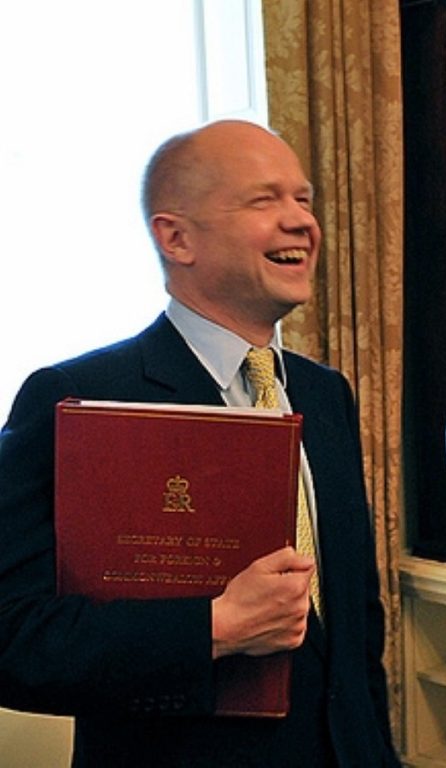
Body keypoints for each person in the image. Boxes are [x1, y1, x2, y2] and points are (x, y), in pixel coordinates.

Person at [0, 120, 400, 767]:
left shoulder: (328, 395)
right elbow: (13, 638)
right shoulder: (78, 397)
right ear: (176, 237)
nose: (301, 221)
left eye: (304, 199)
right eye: (264, 200)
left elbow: (356, 629)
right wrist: (211, 629)